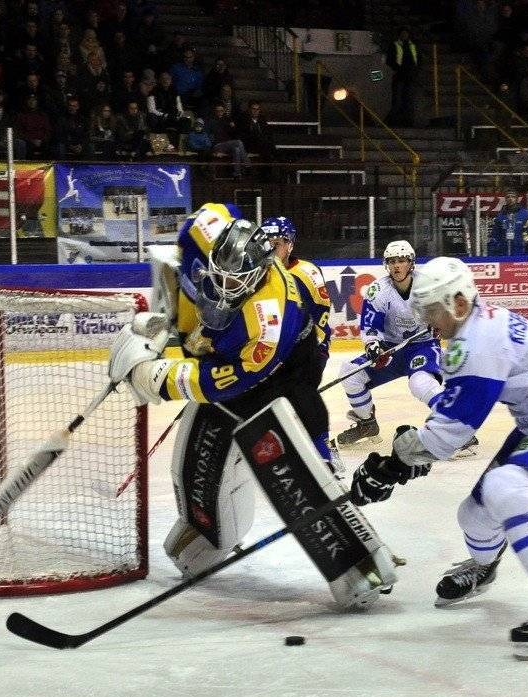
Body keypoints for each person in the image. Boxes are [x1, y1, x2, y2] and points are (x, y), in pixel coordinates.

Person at [112, 206, 398, 607]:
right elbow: (214, 220)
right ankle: (206, 532)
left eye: (236, 280)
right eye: (221, 273)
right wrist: (170, 313)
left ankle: (352, 551)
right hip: (237, 343)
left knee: (294, 422)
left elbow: (221, 381)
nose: (225, 285)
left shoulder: (268, 323)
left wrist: (160, 379)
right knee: (214, 426)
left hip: (291, 362)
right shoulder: (207, 232)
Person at [348, 256, 528, 659]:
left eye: (431, 311)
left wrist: (390, 468)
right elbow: (456, 411)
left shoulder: (476, 343)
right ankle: (484, 567)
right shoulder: (474, 328)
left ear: (458, 303)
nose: (427, 322)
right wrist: (402, 458)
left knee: (504, 488)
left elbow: (450, 434)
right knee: (474, 516)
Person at [333, 241, 473, 453]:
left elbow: (451, 307)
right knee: (349, 373)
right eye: (392, 261)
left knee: (420, 382)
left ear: (411, 263)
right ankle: (367, 423)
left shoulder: (427, 285)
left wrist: (442, 321)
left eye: (401, 261)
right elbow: (370, 325)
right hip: (390, 349)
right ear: (386, 264)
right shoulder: (378, 290)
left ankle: (455, 430)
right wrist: (373, 346)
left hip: (421, 346)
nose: (397, 266)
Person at [260, 216, 330, 365]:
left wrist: (313, 348)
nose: (270, 249)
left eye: (276, 244)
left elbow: (320, 313)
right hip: (270, 351)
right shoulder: (254, 274)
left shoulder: (307, 273)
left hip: (305, 348)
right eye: (266, 243)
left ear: (289, 244)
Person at [386, 27, 420, 126]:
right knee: (397, 99)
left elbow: (418, 59)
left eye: (406, 33)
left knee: (408, 99)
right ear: (399, 35)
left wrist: (415, 71)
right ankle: (394, 121)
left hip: (410, 76)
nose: (404, 35)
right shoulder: (394, 45)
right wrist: (396, 69)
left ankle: (408, 121)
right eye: (403, 34)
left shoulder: (413, 46)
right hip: (398, 76)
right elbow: (390, 60)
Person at [486, 189, 528, 256]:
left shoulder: (525, 214)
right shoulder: (500, 215)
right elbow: (496, 234)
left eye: (513, 197)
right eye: (508, 197)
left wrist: (525, 243)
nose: (510, 198)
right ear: (505, 199)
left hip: (520, 249)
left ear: (517, 199)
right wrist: (494, 248)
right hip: (504, 249)